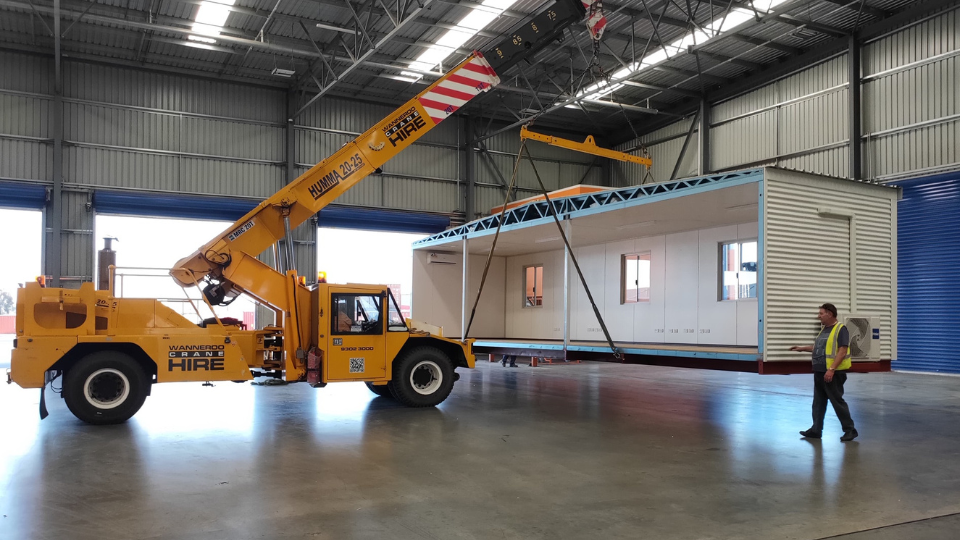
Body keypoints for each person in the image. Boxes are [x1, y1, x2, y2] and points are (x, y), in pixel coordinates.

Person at [789, 303, 859, 442]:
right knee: (818, 403)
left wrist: (831, 369)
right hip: (820, 372)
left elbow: (842, 350)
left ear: (830, 314)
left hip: (833, 373)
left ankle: (850, 430)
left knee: (837, 402)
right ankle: (816, 430)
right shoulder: (824, 330)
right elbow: (819, 347)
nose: (818, 316)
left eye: (821, 313)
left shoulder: (840, 329)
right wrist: (802, 348)